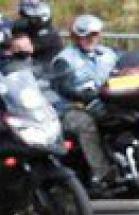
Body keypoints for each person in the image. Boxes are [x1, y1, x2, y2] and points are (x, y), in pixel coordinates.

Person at [48, 15, 118, 188]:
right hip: (71, 108)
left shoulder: (108, 55)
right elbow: (62, 88)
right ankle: (103, 174)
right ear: (75, 37)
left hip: (105, 102)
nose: (90, 39)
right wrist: (83, 95)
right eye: (85, 36)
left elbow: (123, 71)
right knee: (85, 124)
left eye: (94, 35)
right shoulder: (65, 59)